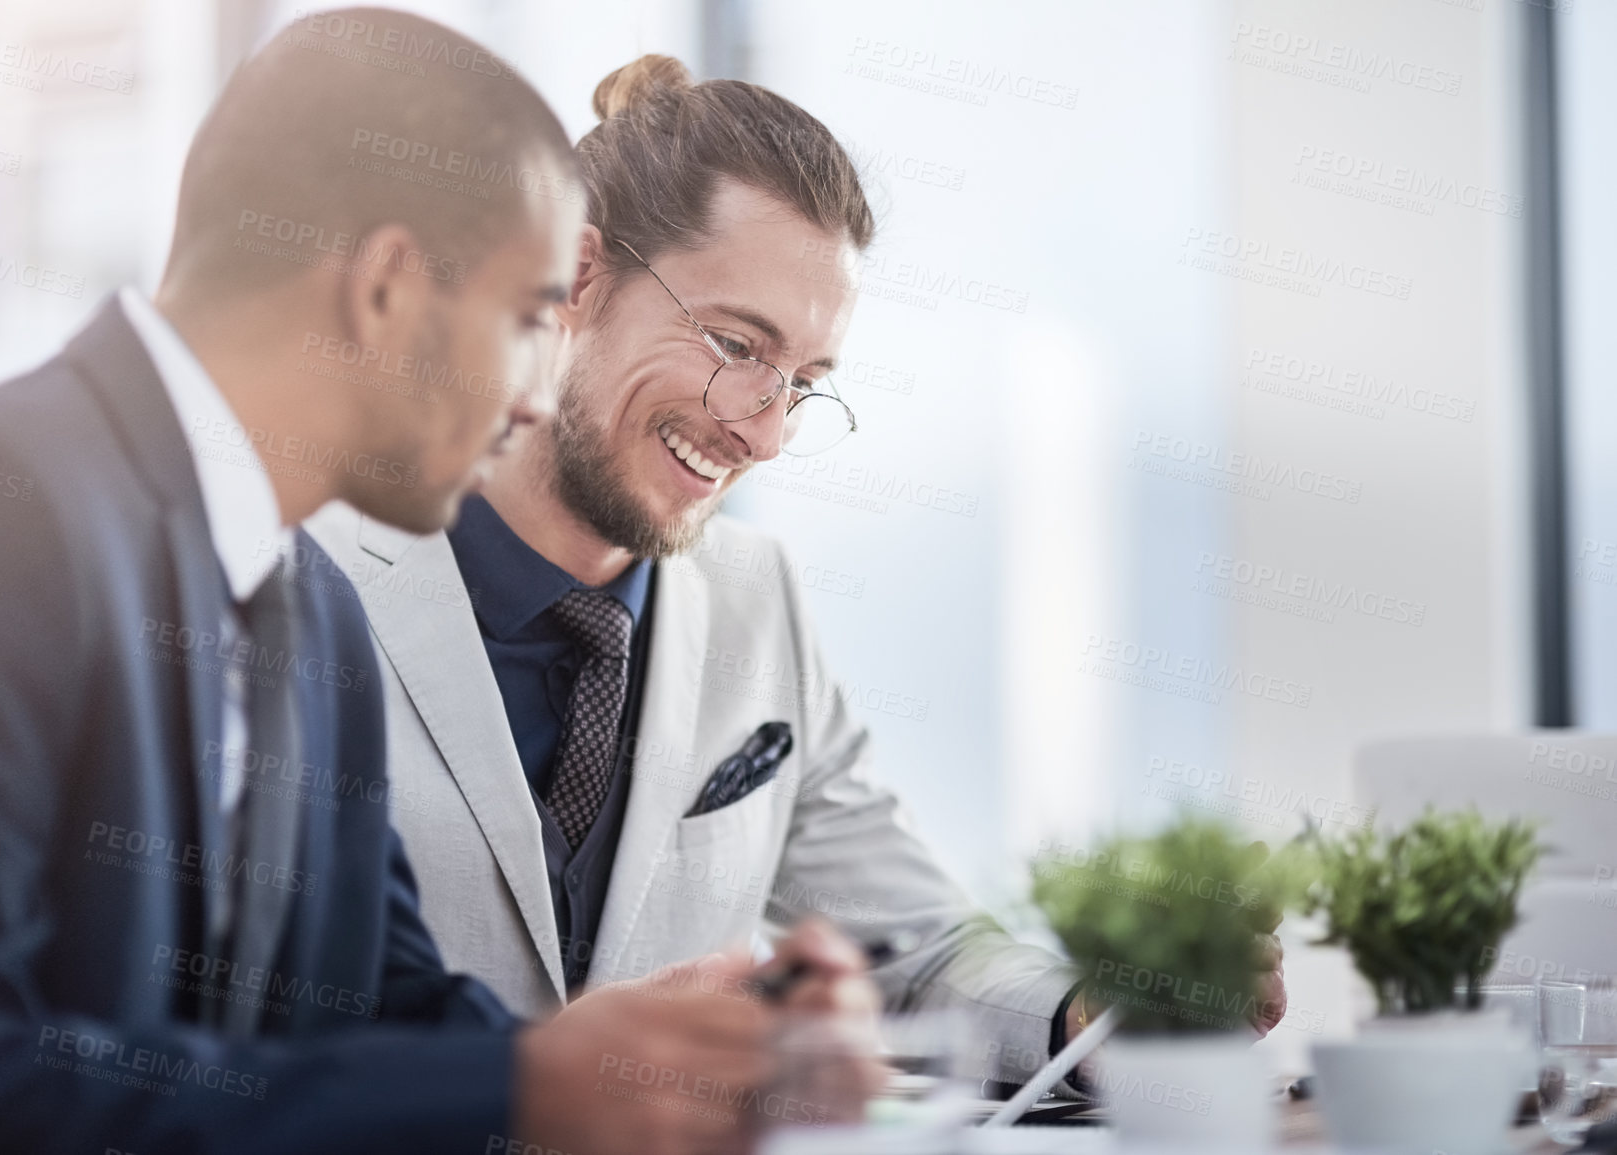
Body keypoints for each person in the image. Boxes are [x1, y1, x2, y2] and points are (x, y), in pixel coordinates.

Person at [0, 14, 874, 1154]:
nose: (530, 399)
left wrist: (639, 1063)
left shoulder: (311, 609)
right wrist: (520, 1088)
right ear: (390, 288)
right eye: (523, 318)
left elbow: (378, 1006)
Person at [305, 50, 1288, 1093]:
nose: (763, 433)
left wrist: (1092, 1014)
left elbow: (916, 953)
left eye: (803, 383)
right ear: (578, 281)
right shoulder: (308, 580)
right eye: (735, 344)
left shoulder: (753, 597)